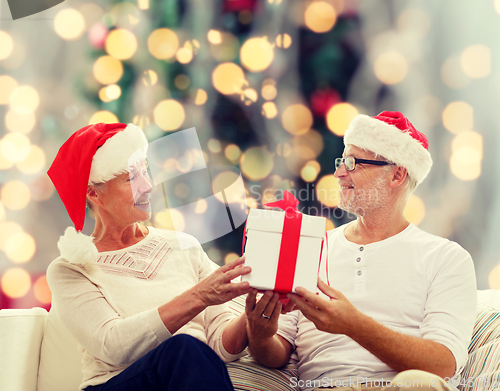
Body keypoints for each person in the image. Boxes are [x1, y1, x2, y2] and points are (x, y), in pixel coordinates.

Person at [245, 111, 477, 391]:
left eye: (353, 162)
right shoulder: (311, 246)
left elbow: (443, 365)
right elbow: (276, 353)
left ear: (397, 175)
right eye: (342, 161)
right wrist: (260, 337)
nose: (339, 172)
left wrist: (353, 325)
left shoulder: (445, 258)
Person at [46, 123, 251, 391]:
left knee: (188, 352)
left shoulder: (184, 246)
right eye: (131, 178)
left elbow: (222, 346)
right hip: (115, 385)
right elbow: (113, 345)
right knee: (183, 349)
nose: (148, 185)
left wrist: (253, 316)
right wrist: (199, 296)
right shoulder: (70, 269)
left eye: (145, 171)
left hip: (185, 379)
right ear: (94, 193)